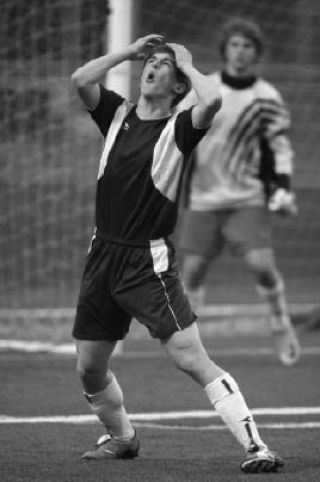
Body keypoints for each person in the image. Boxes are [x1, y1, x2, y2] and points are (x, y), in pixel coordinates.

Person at [71, 33, 284, 474]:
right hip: (102, 257)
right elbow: (80, 79)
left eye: (162, 65)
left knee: (190, 357)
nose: (152, 66)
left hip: (147, 262)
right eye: (151, 62)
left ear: (178, 86)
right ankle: (123, 438)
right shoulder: (117, 115)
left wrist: (186, 63)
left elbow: (214, 100)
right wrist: (130, 51)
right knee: (90, 368)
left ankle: (257, 447)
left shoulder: (180, 127)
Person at [178, 18, 301, 366]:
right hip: (202, 197)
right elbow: (180, 133)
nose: (241, 52)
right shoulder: (204, 89)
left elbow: (280, 149)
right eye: (235, 45)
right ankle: (190, 342)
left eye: (247, 46)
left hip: (247, 197)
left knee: (261, 265)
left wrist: (282, 188)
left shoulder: (267, 97)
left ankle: (280, 322)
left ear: (256, 53)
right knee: (194, 271)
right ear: (225, 49)